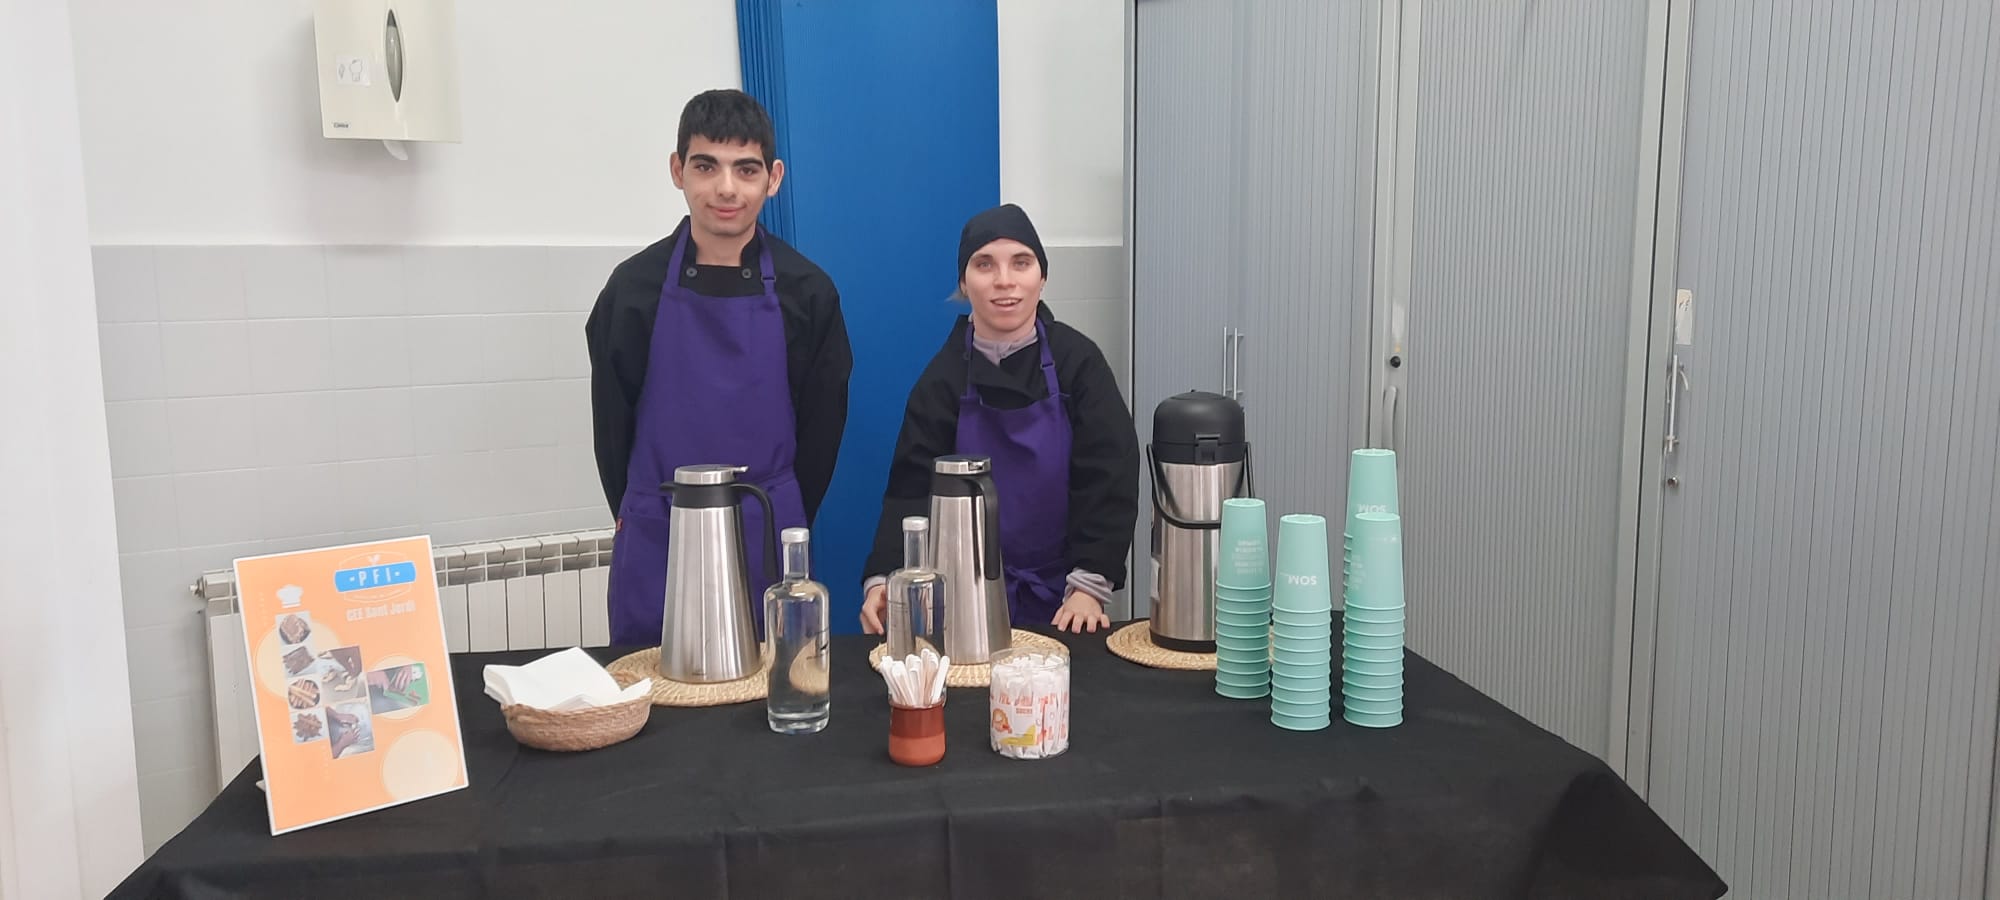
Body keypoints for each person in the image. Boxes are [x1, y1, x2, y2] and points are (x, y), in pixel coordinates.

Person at [587, 89, 851, 646]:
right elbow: (612, 422)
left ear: (773, 178)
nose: (726, 188)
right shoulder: (632, 291)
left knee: (769, 703)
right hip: (660, 531)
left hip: (766, 531)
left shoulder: (809, 293)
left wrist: (783, 511)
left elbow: (822, 431)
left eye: (745, 169)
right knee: (656, 698)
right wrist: (636, 509)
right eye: (706, 166)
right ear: (678, 170)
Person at [859, 204, 1138, 635]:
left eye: (1021, 263)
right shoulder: (943, 378)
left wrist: (1090, 582)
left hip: (1065, 600)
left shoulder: (1077, 362)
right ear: (963, 283)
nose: (1004, 280)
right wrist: (884, 578)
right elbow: (910, 491)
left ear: (1041, 278)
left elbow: (1110, 474)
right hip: (962, 602)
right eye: (984, 264)